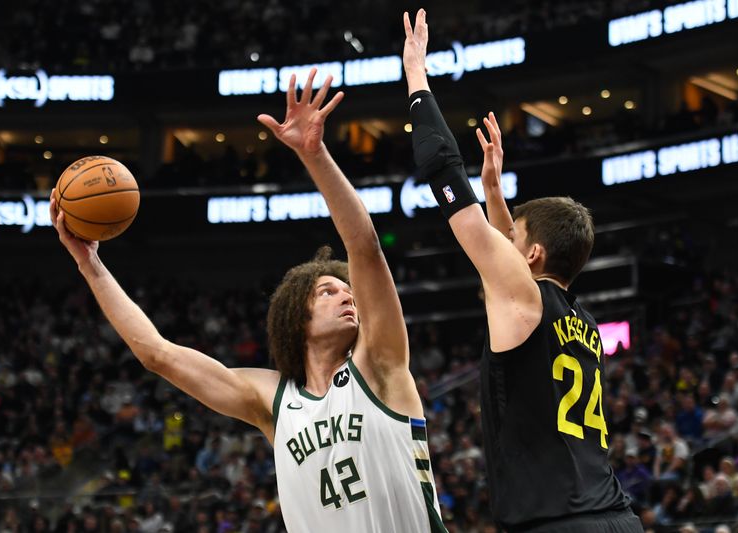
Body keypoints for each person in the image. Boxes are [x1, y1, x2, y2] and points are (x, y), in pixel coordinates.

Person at [50, 68, 446, 533]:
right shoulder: (271, 400)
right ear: (295, 317)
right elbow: (157, 354)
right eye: (328, 290)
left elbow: (364, 247)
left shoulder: (379, 363)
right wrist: (90, 265)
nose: (347, 296)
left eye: (349, 291)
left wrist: (314, 155)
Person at [401, 9, 642, 532]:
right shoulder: (585, 321)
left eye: (514, 238)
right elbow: (513, 266)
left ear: (530, 256)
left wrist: (417, 79)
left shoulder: (525, 299)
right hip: (616, 517)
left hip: (555, 522)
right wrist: (495, 191)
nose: (504, 243)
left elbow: (445, 177)